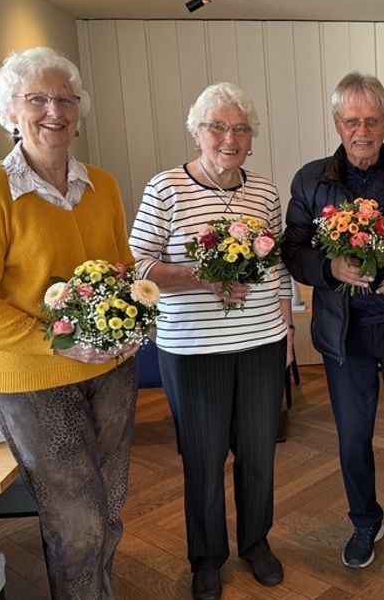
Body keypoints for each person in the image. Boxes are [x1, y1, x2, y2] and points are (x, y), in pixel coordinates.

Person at [0, 46, 138, 599]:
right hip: (34, 383)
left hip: (110, 373)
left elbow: (120, 271)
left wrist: (125, 326)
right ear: (10, 111)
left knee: (110, 510)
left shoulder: (102, 185)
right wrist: (54, 344)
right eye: (37, 98)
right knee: (78, 524)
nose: (54, 110)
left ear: (78, 110)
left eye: (66, 98)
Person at [128, 82, 293, 599]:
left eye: (241, 129)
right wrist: (203, 277)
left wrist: (286, 330)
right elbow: (138, 266)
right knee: (202, 457)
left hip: (262, 341)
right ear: (197, 132)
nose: (230, 138)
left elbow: (280, 266)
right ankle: (206, 556)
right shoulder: (167, 188)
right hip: (193, 349)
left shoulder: (264, 191)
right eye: (218, 127)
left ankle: (256, 543)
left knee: (259, 453)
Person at [281, 72, 384, 572]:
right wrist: (328, 269)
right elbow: (293, 249)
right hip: (343, 331)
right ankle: (364, 522)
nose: (362, 130)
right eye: (352, 120)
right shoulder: (311, 179)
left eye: (372, 119)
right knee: (353, 436)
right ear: (337, 123)